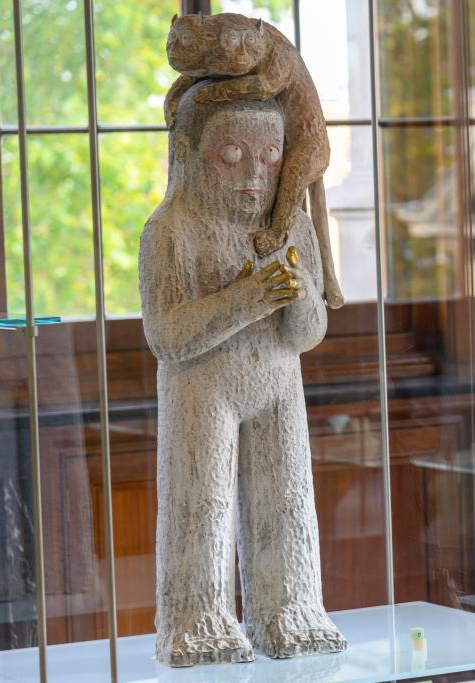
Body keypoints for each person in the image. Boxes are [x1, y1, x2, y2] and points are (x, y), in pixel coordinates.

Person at [140, 81, 346, 666]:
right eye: (231, 155)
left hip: (278, 384)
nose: (255, 174)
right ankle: (195, 617)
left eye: (271, 156)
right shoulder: (173, 228)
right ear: (187, 154)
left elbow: (306, 334)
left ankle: (291, 608)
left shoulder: (292, 225)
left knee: (287, 501)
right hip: (202, 387)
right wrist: (247, 300)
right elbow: (167, 337)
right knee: (200, 506)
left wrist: (297, 297)